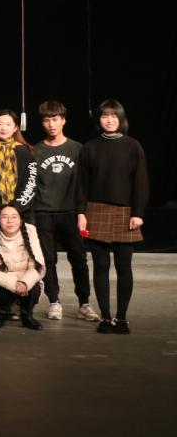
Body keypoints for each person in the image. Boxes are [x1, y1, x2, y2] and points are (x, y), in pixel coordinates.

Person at [77, 99, 149, 335]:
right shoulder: (90, 147)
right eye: (105, 116)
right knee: (100, 266)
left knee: (123, 266)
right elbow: (81, 185)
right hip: (96, 210)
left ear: (121, 119)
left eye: (114, 116)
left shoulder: (133, 146)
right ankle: (106, 317)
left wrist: (138, 213)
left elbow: (141, 182)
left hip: (125, 212)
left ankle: (122, 318)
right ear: (99, 120)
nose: (109, 120)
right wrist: (81, 212)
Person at [33, 100, 98, 322]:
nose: (51, 124)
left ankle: (84, 303)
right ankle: (54, 301)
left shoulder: (77, 149)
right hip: (44, 212)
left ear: (63, 120)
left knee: (79, 258)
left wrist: (82, 212)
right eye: (47, 120)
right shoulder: (36, 150)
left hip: (71, 212)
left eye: (55, 119)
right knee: (48, 260)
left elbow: (84, 184)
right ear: (43, 123)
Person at [0, 205, 46, 330]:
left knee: (33, 282)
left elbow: (39, 266)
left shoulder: (30, 232)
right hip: (3, 284)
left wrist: (24, 283)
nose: (10, 221)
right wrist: (13, 284)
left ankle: (27, 316)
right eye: (5, 217)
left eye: (14, 217)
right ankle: (2, 313)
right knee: (0, 285)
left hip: (25, 282)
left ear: (21, 220)